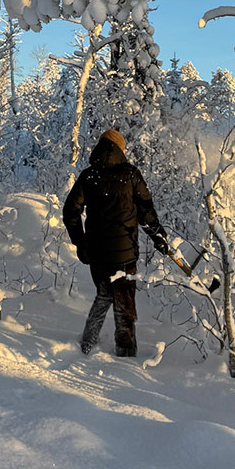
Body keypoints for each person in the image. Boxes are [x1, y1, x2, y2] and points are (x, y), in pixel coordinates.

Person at [62, 128, 171, 358]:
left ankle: (88, 343)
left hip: (97, 254)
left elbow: (70, 211)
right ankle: (126, 350)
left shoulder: (88, 176)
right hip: (125, 255)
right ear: (120, 150)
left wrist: (80, 243)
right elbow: (145, 212)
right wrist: (159, 237)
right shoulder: (131, 175)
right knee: (125, 303)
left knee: (104, 295)